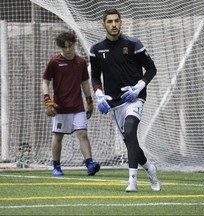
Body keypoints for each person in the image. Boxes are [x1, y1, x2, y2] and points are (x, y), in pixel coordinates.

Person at [89, 9, 161, 192]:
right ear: (103, 24)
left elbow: (151, 69)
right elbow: (96, 77)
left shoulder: (133, 43)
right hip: (114, 103)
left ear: (121, 23)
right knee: (130, 141)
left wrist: (138, 87)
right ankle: (150, 169)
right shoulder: (96, 49)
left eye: (117, 21)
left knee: (130, 131)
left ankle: (132, 182)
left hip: (135, 98)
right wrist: (99, 95)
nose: (114, 25)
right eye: (110, 22)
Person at [42, 32, 100, 176]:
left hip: (77, 107)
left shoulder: (80, 62)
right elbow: (45, 81)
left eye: (70, 46)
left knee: (82, 134)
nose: (67, 49)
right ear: (60, 47)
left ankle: (90, 164)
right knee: (58, 136)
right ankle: (56, 166)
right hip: (59, 108)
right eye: (64, 47)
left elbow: (85, 83)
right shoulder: (54, 62)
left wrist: (89, 101)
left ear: (74, 44)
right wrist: (47, 100)